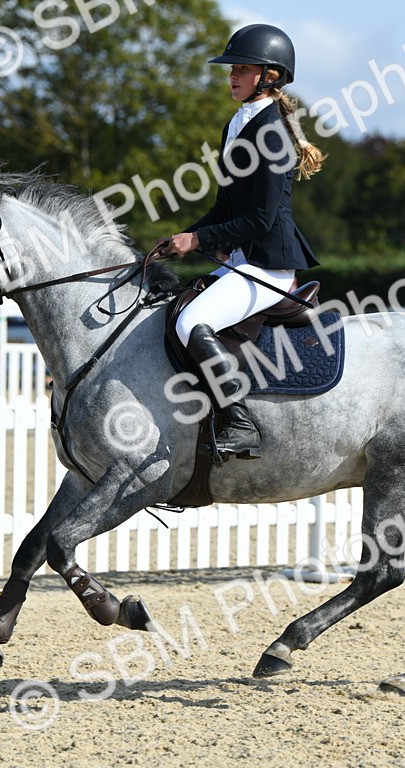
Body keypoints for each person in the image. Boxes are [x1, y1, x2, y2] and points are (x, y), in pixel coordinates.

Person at [158, 23, 325, 460]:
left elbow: (261, 218)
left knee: (190, 322)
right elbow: (226, 206)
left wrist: (199, 240)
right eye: (232, 69)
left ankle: (239, 421)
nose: (232, 76)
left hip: (267, 262)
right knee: (170, 309)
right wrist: (183, 236)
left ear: (270, 75)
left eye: (242, 69)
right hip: (241, 260)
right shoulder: (238, 122)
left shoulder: (272, 132)